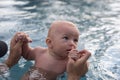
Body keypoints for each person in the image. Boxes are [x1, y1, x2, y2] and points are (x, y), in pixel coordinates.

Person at [8, 20, 91, 80]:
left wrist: (81, 61)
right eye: (66, 38)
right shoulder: (39, 52)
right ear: (50, 42)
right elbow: (26, 54)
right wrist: (23, 42)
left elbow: (81, 71)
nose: (72, 43)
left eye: (75, 40)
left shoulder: (68, 62)